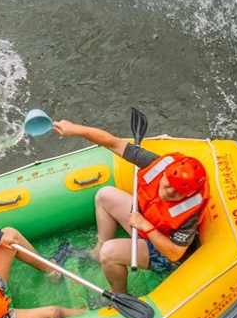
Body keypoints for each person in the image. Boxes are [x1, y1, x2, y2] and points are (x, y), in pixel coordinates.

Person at [52, 119, 209, 294]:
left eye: (178, 192)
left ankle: (120, 296)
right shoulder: (156, 164)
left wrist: (145, 226)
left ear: (189, 194)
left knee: (109, 253)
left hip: (164, 251)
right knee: (105, 195)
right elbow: (113, 143)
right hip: (143, 224)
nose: (170, 192)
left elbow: (174, 254)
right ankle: (97, 252)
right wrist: (76, 129)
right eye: (168, 184)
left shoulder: (190, 211)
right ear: (165, 172)